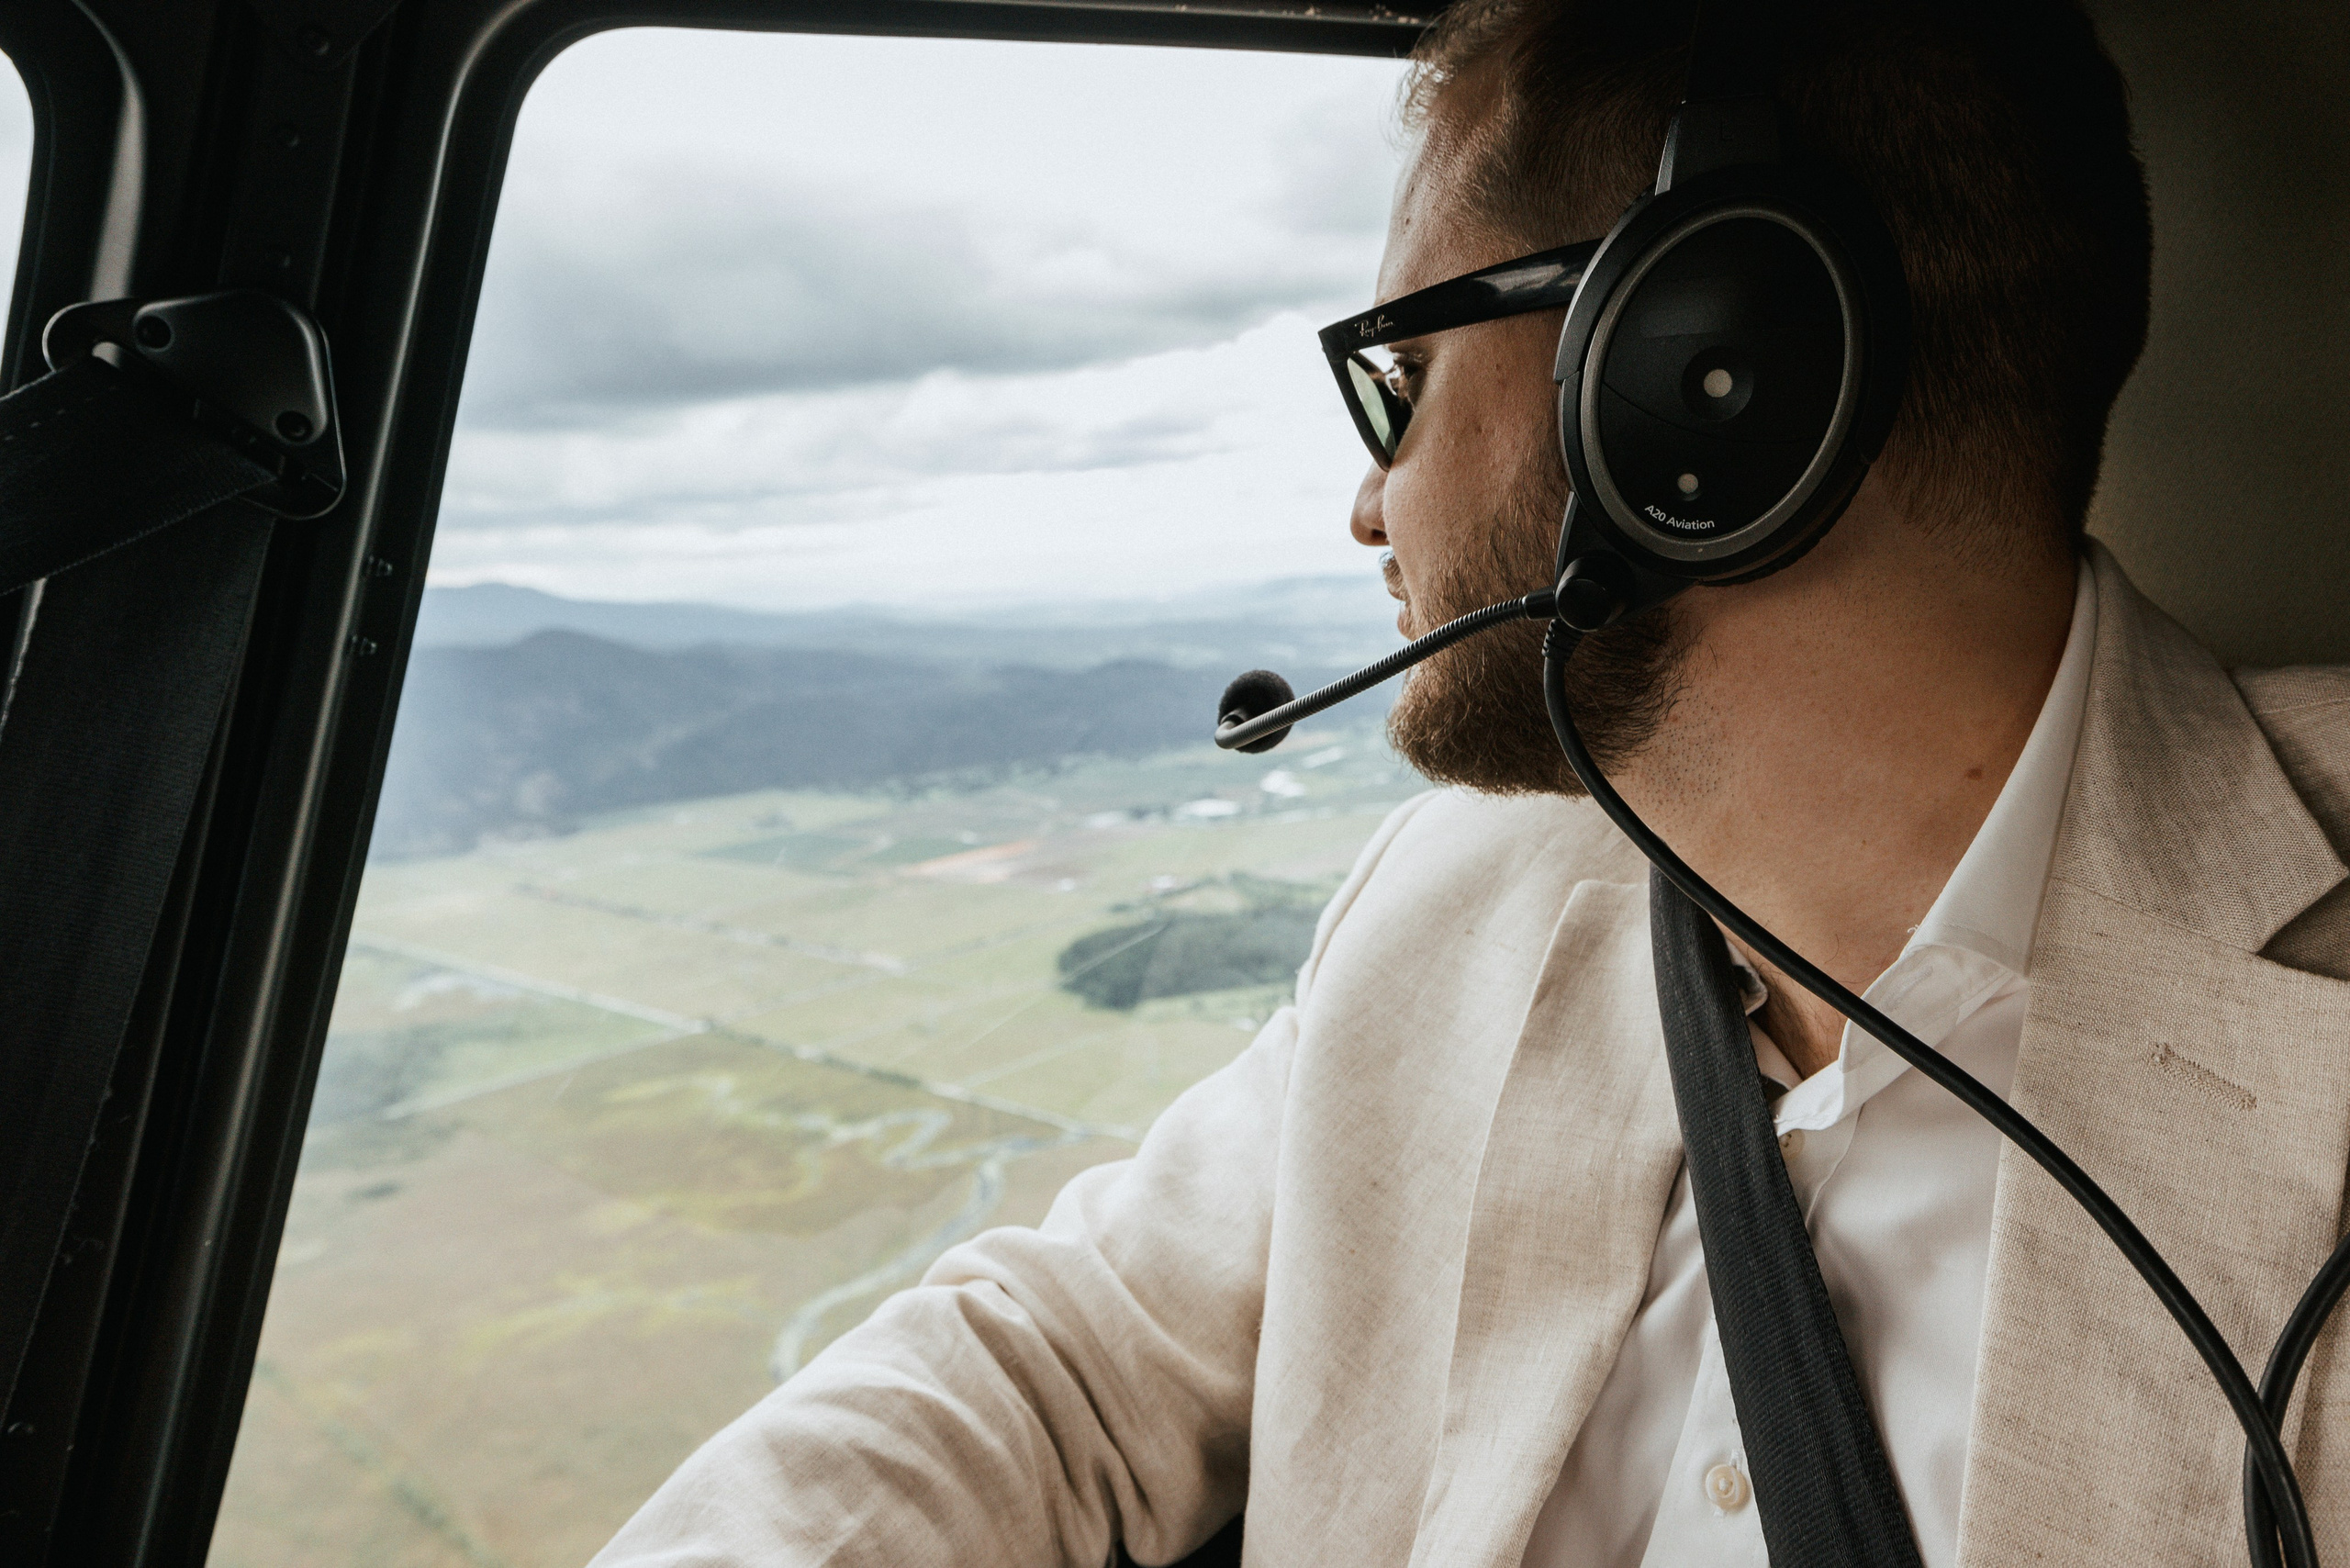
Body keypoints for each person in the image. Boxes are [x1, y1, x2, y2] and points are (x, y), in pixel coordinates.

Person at [592, 0, 2350, 1562]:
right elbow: (1063, 1362)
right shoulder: (1452, 903)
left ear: (1704, 381)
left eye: (1407, 378)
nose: (1369, 508)